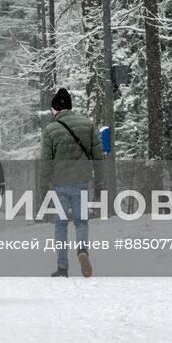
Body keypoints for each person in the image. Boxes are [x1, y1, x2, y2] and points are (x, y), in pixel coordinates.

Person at [38, 88, 101, 278]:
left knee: (60, 224)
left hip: (60, 184)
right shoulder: (88, 125)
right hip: (81, 181)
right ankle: (82, 250)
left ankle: (62, 267)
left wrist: (43, 188)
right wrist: (100, 184)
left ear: (55, 109)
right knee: (81, 222)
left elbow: (46, 162)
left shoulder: (50, 130)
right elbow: (98, 158)